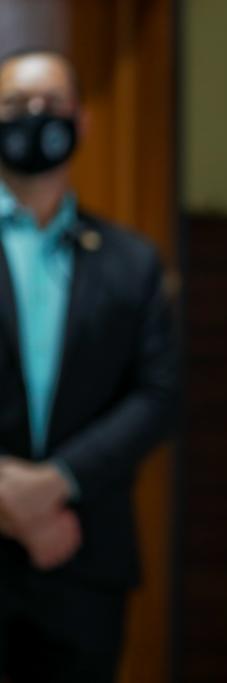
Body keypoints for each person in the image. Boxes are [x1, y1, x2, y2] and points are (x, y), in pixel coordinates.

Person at [0, 49, 177, 682]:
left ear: (82, 121)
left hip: (85, 551)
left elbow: (159, 396)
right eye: (16, 105)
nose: (35, 115)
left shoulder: (132, 262)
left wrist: (55, 483)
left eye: (51, 103)